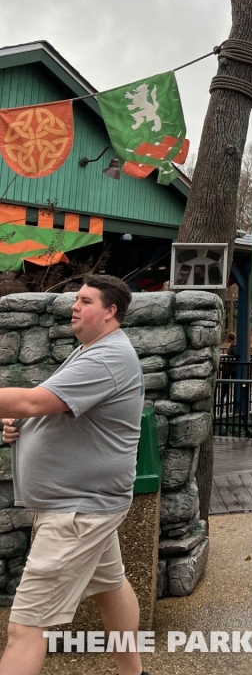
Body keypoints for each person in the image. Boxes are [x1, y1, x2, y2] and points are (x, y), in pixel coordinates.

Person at [0, 275, 147, 675]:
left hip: (77, 513)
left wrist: (24, 412)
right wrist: (19, 425)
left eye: (85, 300)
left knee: (25, 627)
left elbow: (33, 400)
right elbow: (49, 408)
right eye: (75, 300)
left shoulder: (107, 358)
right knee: (110, 585)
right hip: (86, 504)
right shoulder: (91, 351)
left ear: (110, 311)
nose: (74, 306)